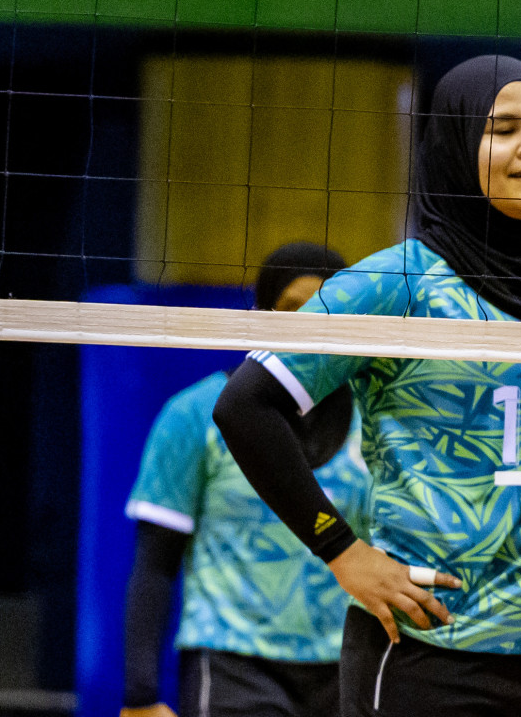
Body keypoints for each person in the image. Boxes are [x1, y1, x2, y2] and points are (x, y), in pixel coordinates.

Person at [213, 57, 521, 717]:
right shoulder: (396, 283)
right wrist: (341, 550)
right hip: (430, 647)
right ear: (454, 140)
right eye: (502, 129)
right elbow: (245, 405)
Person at [120, 242, 363, 717]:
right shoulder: (194, 415)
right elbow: (155, 563)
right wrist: (140, 695)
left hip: (348, 667)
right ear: (261, 316)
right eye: (294, 309)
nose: (311, 326)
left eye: (330, 311)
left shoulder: (376, 421)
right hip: (234, 663)